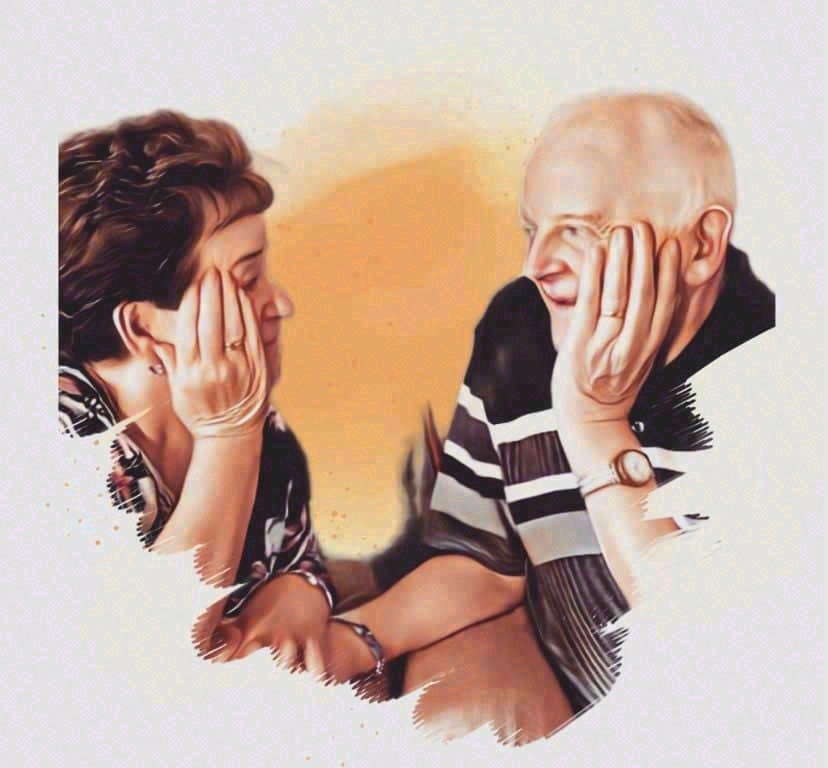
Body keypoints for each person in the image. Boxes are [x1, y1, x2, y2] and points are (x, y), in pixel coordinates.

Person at [306, 91, 776, 739]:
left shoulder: (778, 378)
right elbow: (484, 565)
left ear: (701, 244)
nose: (537, 267)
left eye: (578, 230)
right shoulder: (521, 329)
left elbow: (718, 660)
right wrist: (353, 641)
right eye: (535, 230)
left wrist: (596, 424)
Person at [58, 110, 336, 662]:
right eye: (247, 282)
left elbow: (302, 561)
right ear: (142, 329)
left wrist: (302, 593)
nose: (282, 305)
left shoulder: (267, 429)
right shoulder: (61, 447)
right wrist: (227, 434)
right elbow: (148, 658)